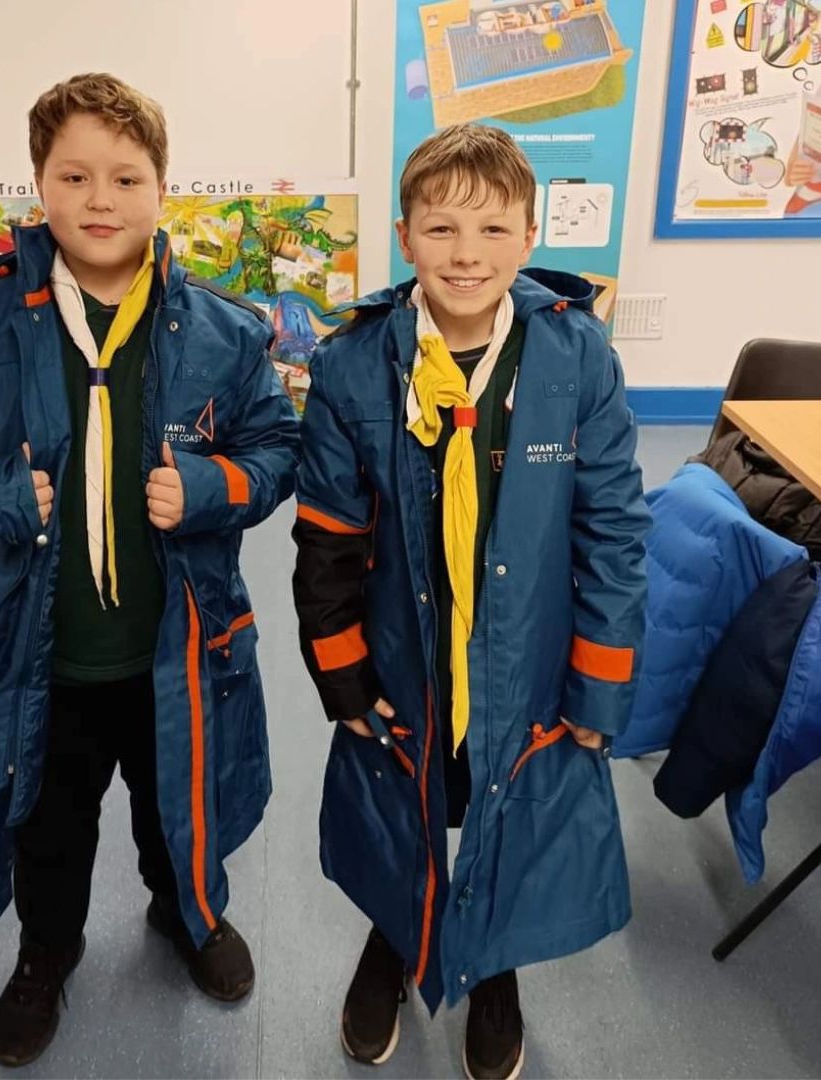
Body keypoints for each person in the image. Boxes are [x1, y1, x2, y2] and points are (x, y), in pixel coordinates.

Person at [0, 71, 299, 1068]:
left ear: (161, 189)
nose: (99, 200)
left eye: (125, 176)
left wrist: (216, 486)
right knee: (48, 828)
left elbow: (279, 449)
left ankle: (187, 912)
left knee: (175, 806)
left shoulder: (228, 332)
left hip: (177, 649)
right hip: (39, 654)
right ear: (38, 185)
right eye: (74, 176)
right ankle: (46, 952)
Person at [292, 123, 649, 1079]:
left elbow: (614, 533)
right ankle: (395, 938)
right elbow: (326, 539)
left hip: (528, 657)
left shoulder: (578, 359)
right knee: (399, 805)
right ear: (404, 235)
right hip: (403, 650)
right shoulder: (352, 364)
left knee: (513, 814)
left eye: (493, 230)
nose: (466, 255)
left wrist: (599, 690)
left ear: (531, 236)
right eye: (441, 228)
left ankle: (494, 964)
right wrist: (342, 677)